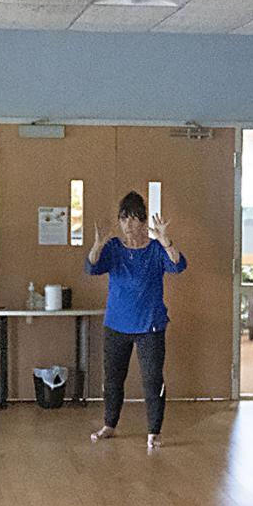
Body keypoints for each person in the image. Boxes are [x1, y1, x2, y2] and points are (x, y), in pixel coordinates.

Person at [87, 191, 185, 450]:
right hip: (116, 324)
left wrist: (166, 241)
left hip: (150, 325)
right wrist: (97, 244)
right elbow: (92, 267)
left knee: (152, 379)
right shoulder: (114, 249)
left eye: (133, 219)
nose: (128, 225)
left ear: (143, 222)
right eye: (123, 219)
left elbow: (177, 265)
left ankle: (154, 431)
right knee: (112, 379)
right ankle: (109, 424)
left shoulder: (155, 250)